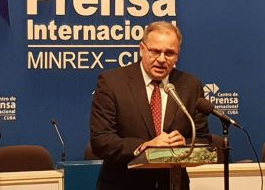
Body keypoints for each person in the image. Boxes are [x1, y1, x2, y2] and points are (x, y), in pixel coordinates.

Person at [90, 21, 211, 190]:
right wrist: (146, 145)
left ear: (177, 55)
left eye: (169, 53)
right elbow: (101, 140)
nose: (162, 59)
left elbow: (204, 139)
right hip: (123, 184)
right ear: (142, 49)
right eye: (155, 51)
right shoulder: (112, 83)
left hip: (173, 185)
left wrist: (185, 143)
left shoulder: (190, 85)